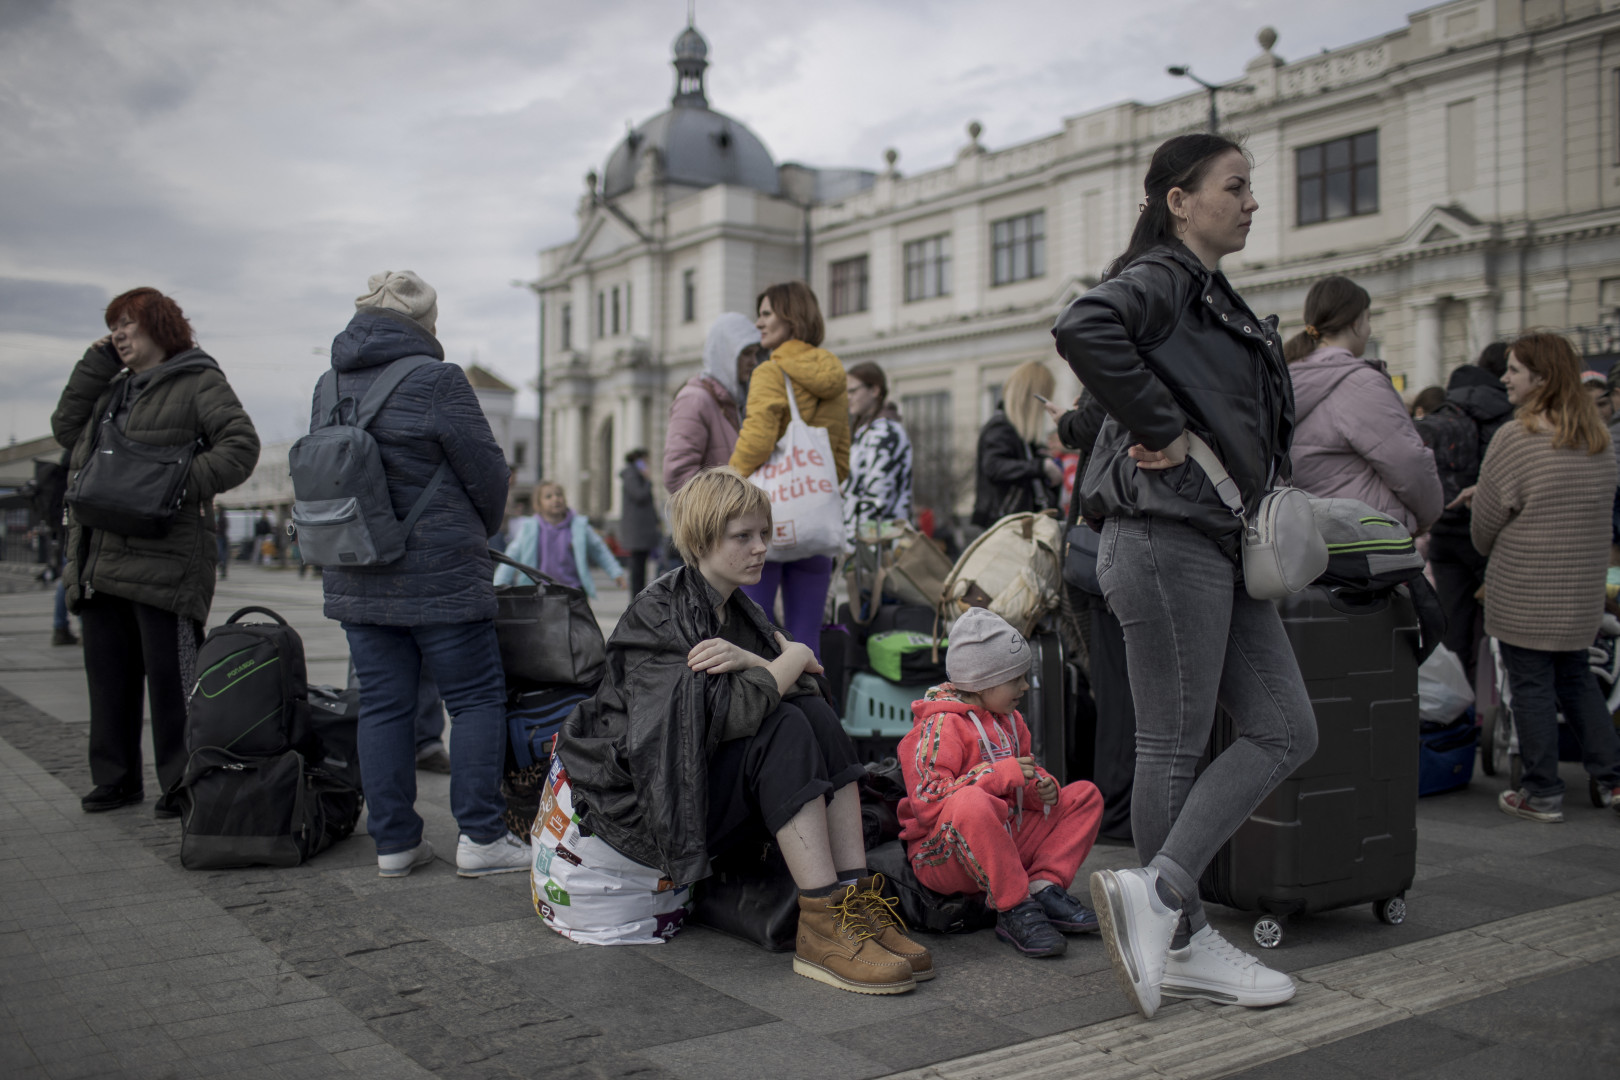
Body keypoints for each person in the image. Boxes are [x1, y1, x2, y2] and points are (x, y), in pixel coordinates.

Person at [1052, 133, 1317, 1018]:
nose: (1251, 201)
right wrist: (1160, 425)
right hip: (1167, 540)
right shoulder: (1166, 278)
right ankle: (1188, 934)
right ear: (1178, 198)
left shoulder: (1206, 293)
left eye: (1252, 186)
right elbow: (1083, 327)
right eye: (1235, 186)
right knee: (1174, 741)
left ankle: (1161, 894)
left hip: (1217, 542)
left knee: (1286, 727)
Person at [557, 467, 929, 994]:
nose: (760, 548)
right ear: (704, 539)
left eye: (763, 534)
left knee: (815, 718)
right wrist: (792, 654)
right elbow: (724, 717)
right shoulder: (660, 615)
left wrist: (755, 659)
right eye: (743, 537)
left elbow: (811, 692)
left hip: (695, 784)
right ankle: (822, 924)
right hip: (646, 810)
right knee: (783, 730)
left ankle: (852, 899)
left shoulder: (735, 607)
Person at [319, 270, 525, 879]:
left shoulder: (327, 384)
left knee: (383, 704)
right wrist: (474, 531)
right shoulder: (438, 379)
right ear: (425, 324)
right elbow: (487, 471)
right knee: (475, 697)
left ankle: (395, 844)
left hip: (356, 570)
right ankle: (483, 839)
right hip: (440, 574)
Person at [51, 287, 260, 816]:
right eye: (112, 325)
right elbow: (66, 432)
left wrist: (172, 484)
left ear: (159, 327)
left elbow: (240, 447)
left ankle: (183, 783)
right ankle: (116, 778)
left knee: (175, 689)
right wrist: (93, 366)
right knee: (109, 682)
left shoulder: (198, 380)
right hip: (103, 559)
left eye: (128, 323)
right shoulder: (113, 390)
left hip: (167, 566)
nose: (119, 333)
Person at [1467, 333, 1620, 823]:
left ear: (1542, 378)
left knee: (1530, 684)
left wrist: (1487, 533)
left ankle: (1541, 792)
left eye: (1514, 370)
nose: (1505, 378)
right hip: (1579, 588)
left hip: (1526, 585)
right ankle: (1614, 778)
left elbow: (1486, 524)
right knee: (1577, 679)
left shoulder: (1518, 436)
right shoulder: (1599, 439)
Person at [899, 607, 1104, 958]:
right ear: (982, 682)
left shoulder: (1010, 719)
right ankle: (1015, 907)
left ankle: (1043, 887)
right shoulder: (939, 727)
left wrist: (1042, 789)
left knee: (1085, 795)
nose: (1025, 686)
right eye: (1016, 679)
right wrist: (997, 775)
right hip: (944, 855)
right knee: (971, 803)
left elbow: (1021, 773)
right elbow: (927, 800)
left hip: (1004, 836)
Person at [729, 282, 850, 659]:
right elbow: (840, 457)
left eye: (766, 314)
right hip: (813, 520)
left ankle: (765, 715)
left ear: (790, 316)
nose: (758, 322)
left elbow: (757, 440)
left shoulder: (770, 372)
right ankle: (817, 716)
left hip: (764, 523)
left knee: (755, 633)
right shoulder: (834, 375)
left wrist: (727, 480)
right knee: (806, 638)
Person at [1283, 276, 1443, 534]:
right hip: (1365, 534)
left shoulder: (1288, 378)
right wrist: (1427, 517)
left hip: (1308, 536)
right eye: (1368, 319)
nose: (1369, 330)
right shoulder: (1358, 383)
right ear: (1356, 323)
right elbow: (1407, 461)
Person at [1414, 344, 1514, 682]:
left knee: (1454, 625)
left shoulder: (1448, 407)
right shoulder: (1507, 413)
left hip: (1443, 530)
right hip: (1491, 536)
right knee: (1508, 635)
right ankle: (1495, 707)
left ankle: (1456, 713)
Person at [664, 313, 761, 493]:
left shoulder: (735, 401)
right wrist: (723, 509)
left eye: (756, 354)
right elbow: (678, 476)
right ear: (726, 353)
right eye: (746, 353)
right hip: (717, 520)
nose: (753, 361)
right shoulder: (694, 400)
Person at [971, 361, 1062, 529]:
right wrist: (1041, 466)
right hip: (1006, 525)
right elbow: (994, 466)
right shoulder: (1001, 427)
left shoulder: (1017, 434)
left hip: (1011, 523)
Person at [496, 481, 625, 597]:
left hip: (573, 590)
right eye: (548, 497)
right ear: (538, 504)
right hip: (540, 591)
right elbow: (512, 556)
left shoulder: (578, 526)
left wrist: (615, 573)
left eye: (559, 495)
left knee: (576, 624)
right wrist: (498, 585)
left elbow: (599, 550)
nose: (555, 499)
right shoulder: (529, 528)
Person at [842, 361, 913, 547]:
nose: (847, 397)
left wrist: (852, 544)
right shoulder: (868, 431)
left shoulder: (885, 433)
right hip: (868, 541)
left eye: (852, 391)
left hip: (876, 544)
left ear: (874, 390)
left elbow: (877, 499)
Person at [618, 449, 661, 597]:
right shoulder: (631, 475)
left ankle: (639, 596)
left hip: (643, 529)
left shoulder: (636, 475)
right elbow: (639, 495)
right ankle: (636, 598)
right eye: (646, 459)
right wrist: (648, 480)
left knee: (641, 566)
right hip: (637, 530)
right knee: (637, 567)